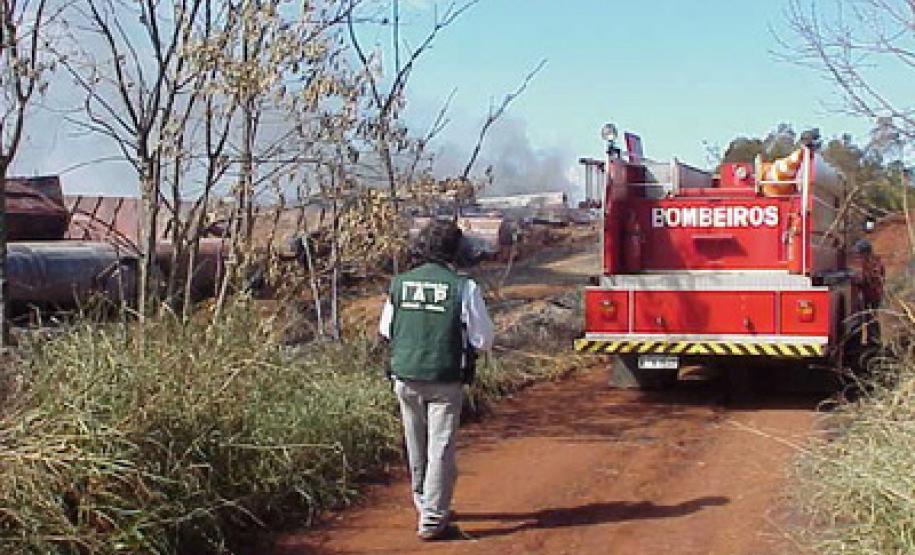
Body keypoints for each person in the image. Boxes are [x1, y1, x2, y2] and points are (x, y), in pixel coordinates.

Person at [378, 219, 494, 541]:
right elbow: (483, 339)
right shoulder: (463, 287)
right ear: (456, 250)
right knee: (440, 448)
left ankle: (425, 504)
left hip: (405, 375)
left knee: (416, 446)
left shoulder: (399, 283)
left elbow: (386, 330)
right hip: (444, 378)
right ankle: (432, 521)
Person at [851, 238, 885, 344]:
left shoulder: (874, 263)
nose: (859, 256)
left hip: (873, 295)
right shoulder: (868, 262)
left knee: (871, 319)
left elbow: (873, 279)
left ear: (866, 252)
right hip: (867, 294)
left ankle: (874, 342)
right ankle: (866, 340)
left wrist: (860, 279)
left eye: (860, 254)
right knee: (863, 319)